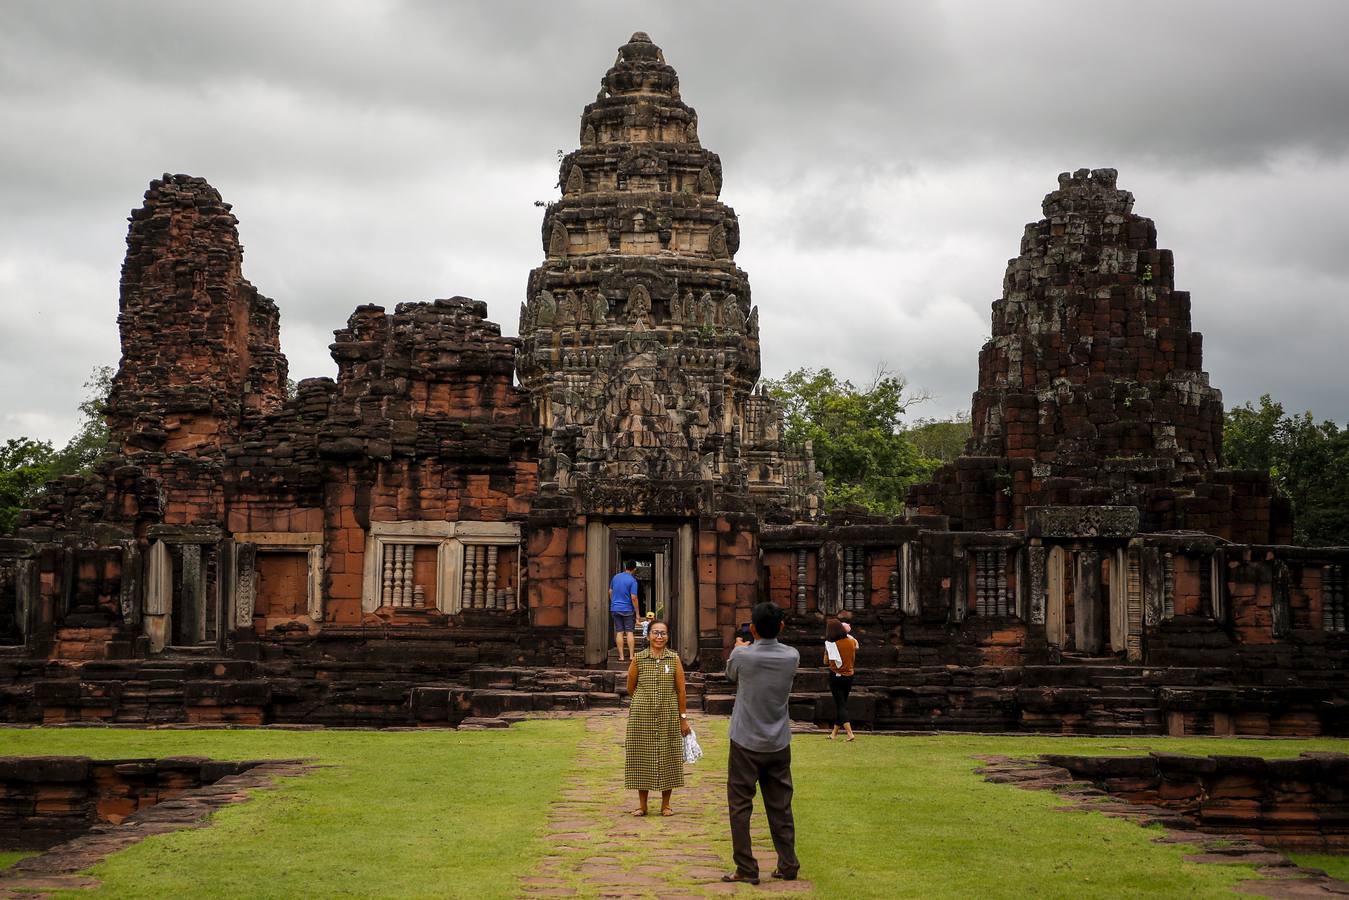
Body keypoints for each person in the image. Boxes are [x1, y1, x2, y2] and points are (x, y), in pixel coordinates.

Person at [721, 602, 801, 885]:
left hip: (745, 740)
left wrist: (741, 645)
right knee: (780, 805)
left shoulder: (742, 655)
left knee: (740, 805)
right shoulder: (792, 656)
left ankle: (746, 867)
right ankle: (788, 863)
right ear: (781, 627)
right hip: (778, 740)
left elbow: (730, 675)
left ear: (753, 628)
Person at [624, 621, 691, 816]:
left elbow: (681, 690)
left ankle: (666, 804)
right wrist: (643, 700)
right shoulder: (639, 658)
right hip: (642, 715)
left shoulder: (674, 659)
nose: (659, 637)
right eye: (655, 633)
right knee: (641, 755)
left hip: (668, 713)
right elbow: (630, 686)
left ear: (668, 636)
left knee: (668, 755)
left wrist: (683, 718)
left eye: (663, 633)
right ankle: (642, 805)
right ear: (648, 636)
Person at [824, 617, 858, 741]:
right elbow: (853, 658)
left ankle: (850, 733)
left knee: (840, 705)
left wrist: (826, 652)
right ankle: (834, 733)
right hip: (849, 675)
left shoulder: (831, 645)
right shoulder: (851, 642)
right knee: (842, 704)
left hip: (836, 677)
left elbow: (826, 661)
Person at [609, 560, 642, 662]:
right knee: (629, 632)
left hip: (615, 608)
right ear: (634, 569)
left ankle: (621, 657)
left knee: (619, 632)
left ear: (625, 567)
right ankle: (631, 656)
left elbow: (610, 591)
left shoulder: (616, 577)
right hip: (627, 609)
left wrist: (614, 602)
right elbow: (634, 597)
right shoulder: (632, 581)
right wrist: (637, 613)